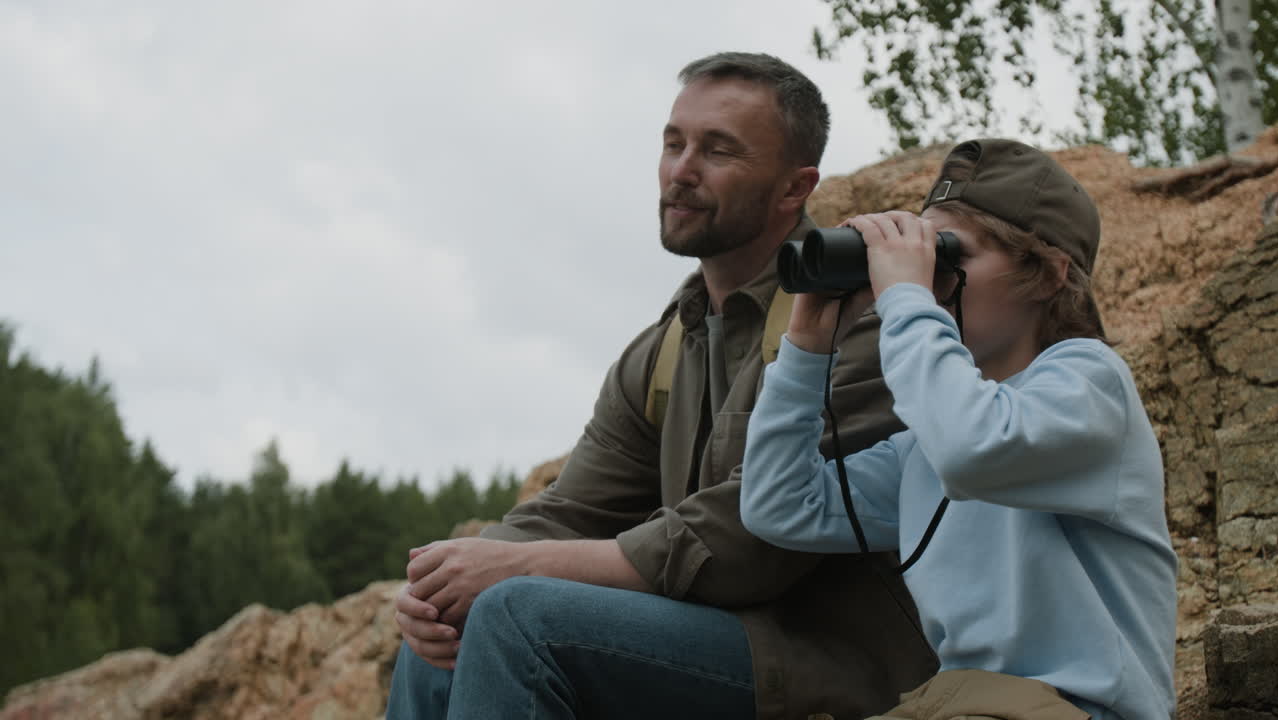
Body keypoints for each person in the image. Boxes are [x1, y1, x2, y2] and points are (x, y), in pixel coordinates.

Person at [385, 52, 938, 719]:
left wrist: (518, 573)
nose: (681, 171)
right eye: (673, 144)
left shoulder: (859, 315)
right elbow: (569, 510)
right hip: (702, 642)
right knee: (447, 627)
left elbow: (754, 543)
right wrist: (444, 578)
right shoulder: (669, 345)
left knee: (517, 615)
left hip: (836, 662)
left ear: (796, 188)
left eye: (719, 151)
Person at [740, 138, 1178, 720]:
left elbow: (976, 447)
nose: (932, 281)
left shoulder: (1091, 383)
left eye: (951, 259)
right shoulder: (929, 444)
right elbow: (779, 505)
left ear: (1048, 275)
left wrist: (904, 295)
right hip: (956, 702)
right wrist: (807, 348)